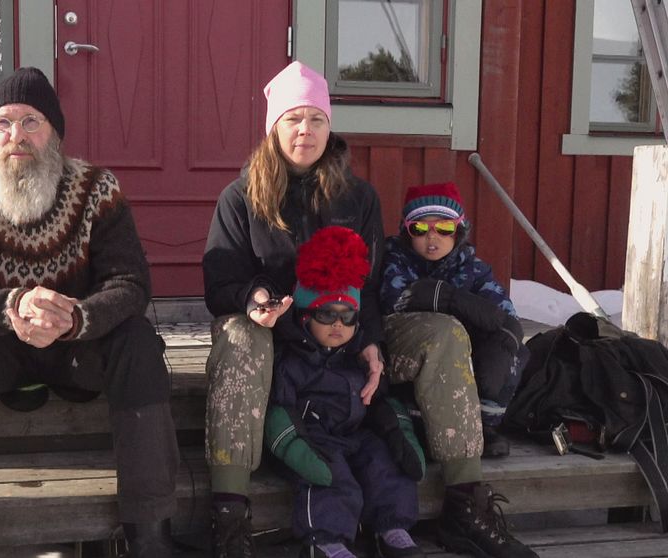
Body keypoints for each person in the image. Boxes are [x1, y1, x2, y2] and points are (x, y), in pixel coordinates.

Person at [0, 67, 180, 558]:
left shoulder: (98, 189)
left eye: (30, 121)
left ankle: (151, 534)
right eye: (3, 124)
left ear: (55, 131)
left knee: (139, 342)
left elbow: (131, 283)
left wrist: (75, 317)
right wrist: (9, 306)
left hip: (77, 351)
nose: (16, 136)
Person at [202, 61, 386, 558]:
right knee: (240, 337)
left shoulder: (360, 199)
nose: (305, 130)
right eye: (293, 119)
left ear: (330, 125)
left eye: (316, 119)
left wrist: (370, 338)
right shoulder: (240, 199)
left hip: (338, 339)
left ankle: (461, 495)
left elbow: (375, 283)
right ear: (273, 127)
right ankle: (230, 509)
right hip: (273, 339)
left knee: (442, 334)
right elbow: (220, 284)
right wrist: (254, 299)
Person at [379, 182, 538, 558]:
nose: (432, 238)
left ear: (459, 230)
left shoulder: (474, 269)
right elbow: (394, 297)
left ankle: (483, 424)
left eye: (443, 228)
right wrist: (445, 297)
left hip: (454, 376)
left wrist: (500, 334)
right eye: (421, 228)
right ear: (407, 231)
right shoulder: (394, 260)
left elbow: (504, 317)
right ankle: (464, 494)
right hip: (399, 363)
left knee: (508, 345)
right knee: (448, 332)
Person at [265, 226, 424, 558]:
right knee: (331, 476)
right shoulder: (292, 362)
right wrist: (296, 446)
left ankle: (391, 527)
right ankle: (325, 540)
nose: (337, 324)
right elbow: (279, 410)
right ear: (306, 318)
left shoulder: (358, 359)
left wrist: (399, 431)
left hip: (354, 432)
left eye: (347, 316)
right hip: (313, 439)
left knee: (384, 463)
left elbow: (379, 401)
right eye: (326, 315)